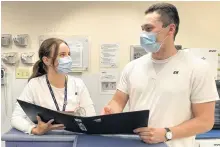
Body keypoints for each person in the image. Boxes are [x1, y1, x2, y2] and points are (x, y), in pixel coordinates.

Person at [101, 3, 219, 147]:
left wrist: (167, 133)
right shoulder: (132, 67)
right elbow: (118, 102)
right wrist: (111, 112)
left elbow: (205, 121)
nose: (144, 34)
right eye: (143, 29)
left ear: (171, 29)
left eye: (149, 29)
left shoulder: (197, 68)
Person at [11, 38, 96, 135]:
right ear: (46, 60)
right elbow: (16, 117)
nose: (68, 59)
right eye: (62, 55)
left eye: (69, 54)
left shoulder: (78, 84)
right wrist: (34, 130)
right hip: (46, 140)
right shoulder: (34, 85)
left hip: (74, 138)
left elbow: (91, 116)